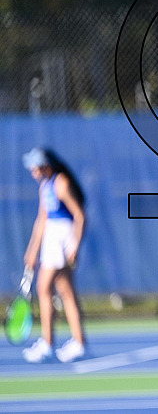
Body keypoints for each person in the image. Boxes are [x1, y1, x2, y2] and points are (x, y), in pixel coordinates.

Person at [21, 147, 87, 363]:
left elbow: (79, 214)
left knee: (43, 287)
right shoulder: (44, 187)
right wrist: (32, 251)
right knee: (66, 292)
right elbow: (41, 221)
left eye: (36, 167)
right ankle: (79, 342)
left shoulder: (61, 183)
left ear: (46, 166)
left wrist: (75, 244)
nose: (32, 171)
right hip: (51, 237)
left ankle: (48, 343)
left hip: (62, 237)